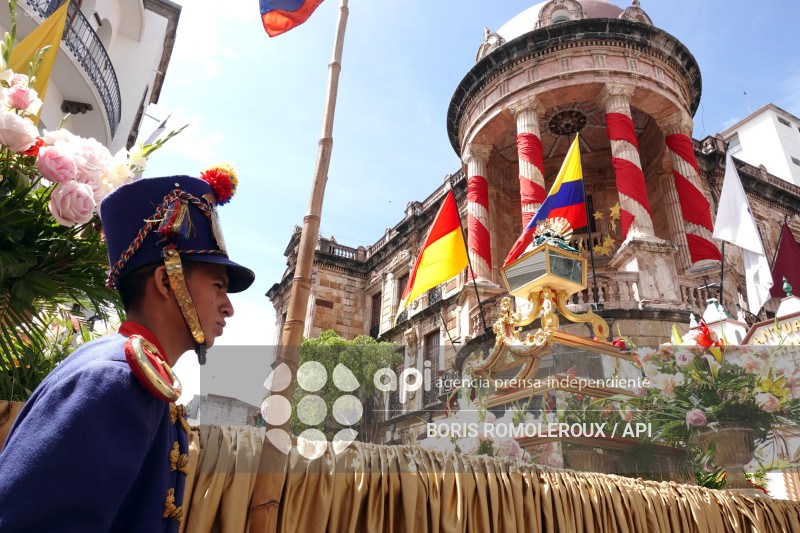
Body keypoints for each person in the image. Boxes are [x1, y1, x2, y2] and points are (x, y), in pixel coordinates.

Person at [0, 174, 254, 531]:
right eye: (218, 286)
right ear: (168, 282)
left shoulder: (131, 374)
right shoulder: (115, 381)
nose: (228, 308)